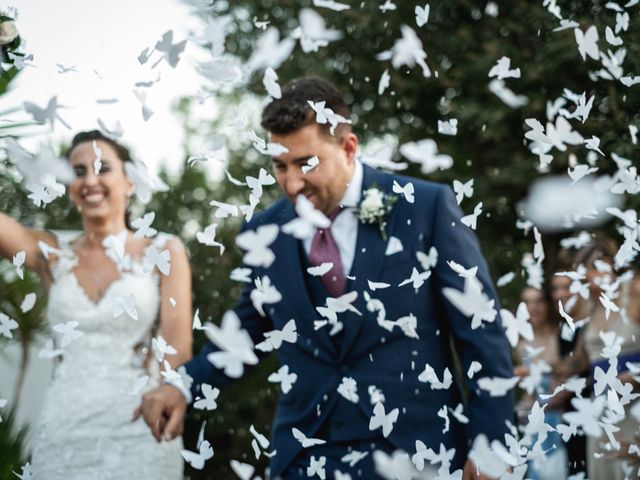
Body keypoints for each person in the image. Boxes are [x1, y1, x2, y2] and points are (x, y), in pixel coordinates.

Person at [137, 77, 513, 479]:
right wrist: (183, 384)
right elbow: (247, 331)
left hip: (416, 452)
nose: (292, 184)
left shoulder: (424, 207)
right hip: (306, 453)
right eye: (279, 166)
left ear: (348, 148)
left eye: (305, 163)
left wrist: (491, 443)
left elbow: (481, 331)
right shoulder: (267, 231)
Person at [0, 130, 192, 479]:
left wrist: (169, 389)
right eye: (78, 171)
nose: (90, 179)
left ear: (130, 182)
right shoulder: (52, 254)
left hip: (140, 428)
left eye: (102, 168)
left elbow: (176, 346)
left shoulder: (164, 250)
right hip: (64, 430)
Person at [557, 234, 640, 479]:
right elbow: (581, 361)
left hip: (634, 411)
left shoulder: (634, 292)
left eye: (585, 273)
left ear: (606, 263)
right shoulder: (591, 305)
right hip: (602, 413)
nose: (580, 282)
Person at [513, 286, 568, 479]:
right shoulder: (521, 347)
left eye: (538, 301)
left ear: (547, 304)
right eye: (527, 303)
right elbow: (530, 394)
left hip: (563, 421)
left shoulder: (561, 336)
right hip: (537, 423)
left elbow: (567, 381)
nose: (533, 307)